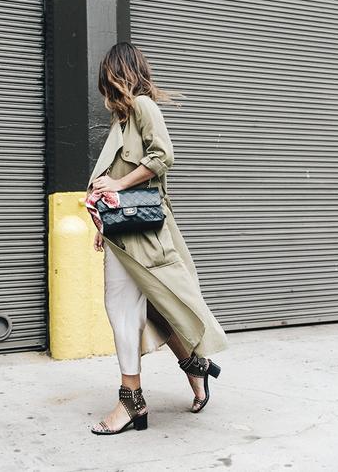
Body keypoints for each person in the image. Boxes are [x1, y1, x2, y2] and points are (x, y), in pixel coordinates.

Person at [85, 42, 228, 435]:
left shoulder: (144, 107)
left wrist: (116, 183)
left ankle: (131, 402)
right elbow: (113, 187)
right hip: (125, 233)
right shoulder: (124, 120)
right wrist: (104, 223)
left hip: (145, 234)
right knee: (149, 309)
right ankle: (194, 367)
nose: (105, 92)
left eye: (108, 82)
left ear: (119, 75)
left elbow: (163, 156)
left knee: (129, 308)